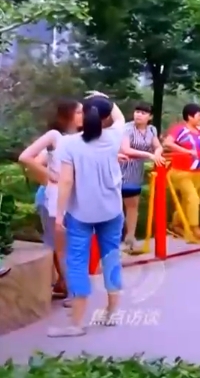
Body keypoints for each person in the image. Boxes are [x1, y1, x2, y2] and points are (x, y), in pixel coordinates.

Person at [49, 93, 128, 338]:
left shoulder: (69, 144)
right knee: (111, 258)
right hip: (112, 210)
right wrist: (104, 99)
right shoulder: (114, 136)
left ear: (85, 115)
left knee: (77, 263)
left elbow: (66, 181)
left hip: (81, 213)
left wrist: (59, 214)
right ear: (105, 117)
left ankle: (76, 323)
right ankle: (111, 313)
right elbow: (119, 117)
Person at [18, 99, 83, 302]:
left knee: (73, 246)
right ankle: (71, 290)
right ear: (68, 115)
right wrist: (50, 175)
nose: (83, 115)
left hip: (76, 198)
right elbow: (26, 157)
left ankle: (67, 286)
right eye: (79, 112)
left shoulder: (82, 138)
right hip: (56, 199)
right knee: (61, 246)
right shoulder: (55, 137)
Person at [163, 103, 200, 241]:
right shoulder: (180, 129)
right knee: (193, 198)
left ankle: (176, 224)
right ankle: (194, 227)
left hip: (198, 171)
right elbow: (167, 143)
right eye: (198, 115)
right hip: (181, 171)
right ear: (189, 116)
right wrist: (187, 151)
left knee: (189, 201)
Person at [119, 103, 165, 252]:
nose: (138, 115)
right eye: (137, 111)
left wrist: (157, 153)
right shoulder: (127, 128)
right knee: (116, 207)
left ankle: (130, 238)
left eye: (143, 113)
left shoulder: (151, 130)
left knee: (133, 206)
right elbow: (126, 149)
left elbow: (158, 146)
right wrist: (149, 155)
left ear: (150, 117)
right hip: (120, 169)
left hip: (135, 172)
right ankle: (113, 241)